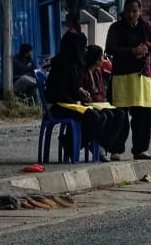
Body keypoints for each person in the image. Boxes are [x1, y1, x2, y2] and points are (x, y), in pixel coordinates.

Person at [43, 27, 130, 157]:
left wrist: (80, 91)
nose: (84, 51)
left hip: (70, 103)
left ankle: (94, 145)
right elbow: (58, 92)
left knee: (112, 115)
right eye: (82, 48)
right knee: (94, 117)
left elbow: (71, 87)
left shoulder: (73, 64)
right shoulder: (60, 64)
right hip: (58, 106)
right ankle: (73, 144)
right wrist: (75, 100)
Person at [106, 0, 151, 160]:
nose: (131, 15)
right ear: (124, 11)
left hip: (141, 77)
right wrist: (131, 51)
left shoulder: (146, 26)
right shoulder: (116, 27)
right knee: (119, 115)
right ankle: (115, 149)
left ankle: (140, 149)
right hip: (121, 76)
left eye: (135, 11)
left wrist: (146, 47)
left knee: (142, 116)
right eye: (129, 11)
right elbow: (110, 48)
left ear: (140, 11)